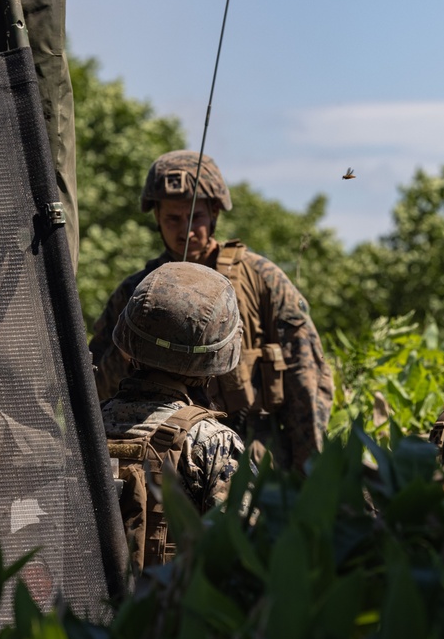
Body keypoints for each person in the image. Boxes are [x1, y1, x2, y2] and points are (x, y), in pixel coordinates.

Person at [90, 150, 334, 472]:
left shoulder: (260, 279)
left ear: (214, 212)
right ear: (157, 219)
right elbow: (92, 388)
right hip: (165, 457)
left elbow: (306, 377)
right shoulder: (138, 292)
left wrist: (310, 471)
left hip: (254, 455)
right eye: (172, 219)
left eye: (195, 218)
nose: (186, 231)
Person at [101, 261, 250, 573]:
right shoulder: (212, 441)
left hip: (84, 618)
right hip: (169, 616)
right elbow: (245, 547)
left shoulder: (88, 427)